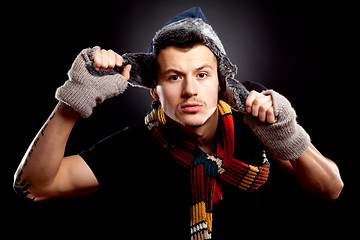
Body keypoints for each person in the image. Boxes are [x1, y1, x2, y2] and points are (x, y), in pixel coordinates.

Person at [13, 7, 343, 240]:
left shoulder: (251, 113)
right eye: (174, 77)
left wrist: (288, 136)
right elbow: (35, 187)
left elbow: (331, 188)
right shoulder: (141, 142)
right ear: (155, 92)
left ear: (221, 84)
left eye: (202, 75)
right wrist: (73, 101)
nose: (190, 90)